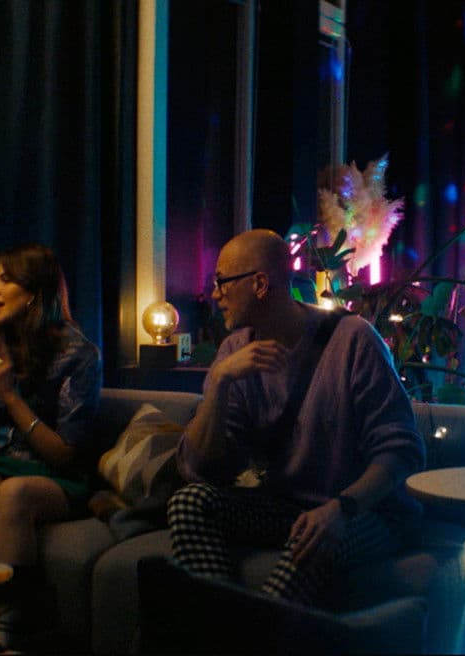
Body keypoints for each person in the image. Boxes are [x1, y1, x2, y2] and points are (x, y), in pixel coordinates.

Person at [165, 229, 426, 607]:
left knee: (312, 542)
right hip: (287, 507)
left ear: (259, 284)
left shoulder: (352, 339)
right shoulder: (235, 350)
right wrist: (219, 383)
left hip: (362, 511)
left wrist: (340, 509)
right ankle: (225, 621)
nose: (215, 294)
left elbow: (401, 452)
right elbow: (203, 470)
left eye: (222, 281)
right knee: (189, 502)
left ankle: (248, 628)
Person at [0, 243, 104, 649]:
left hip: (59, 474)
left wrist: (9, 397)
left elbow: (64, 452)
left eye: (5, 280)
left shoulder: (80, 354)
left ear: (33, 292)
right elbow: (9, 408)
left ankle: (3, 630)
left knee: (13, 493)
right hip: (7, 459)